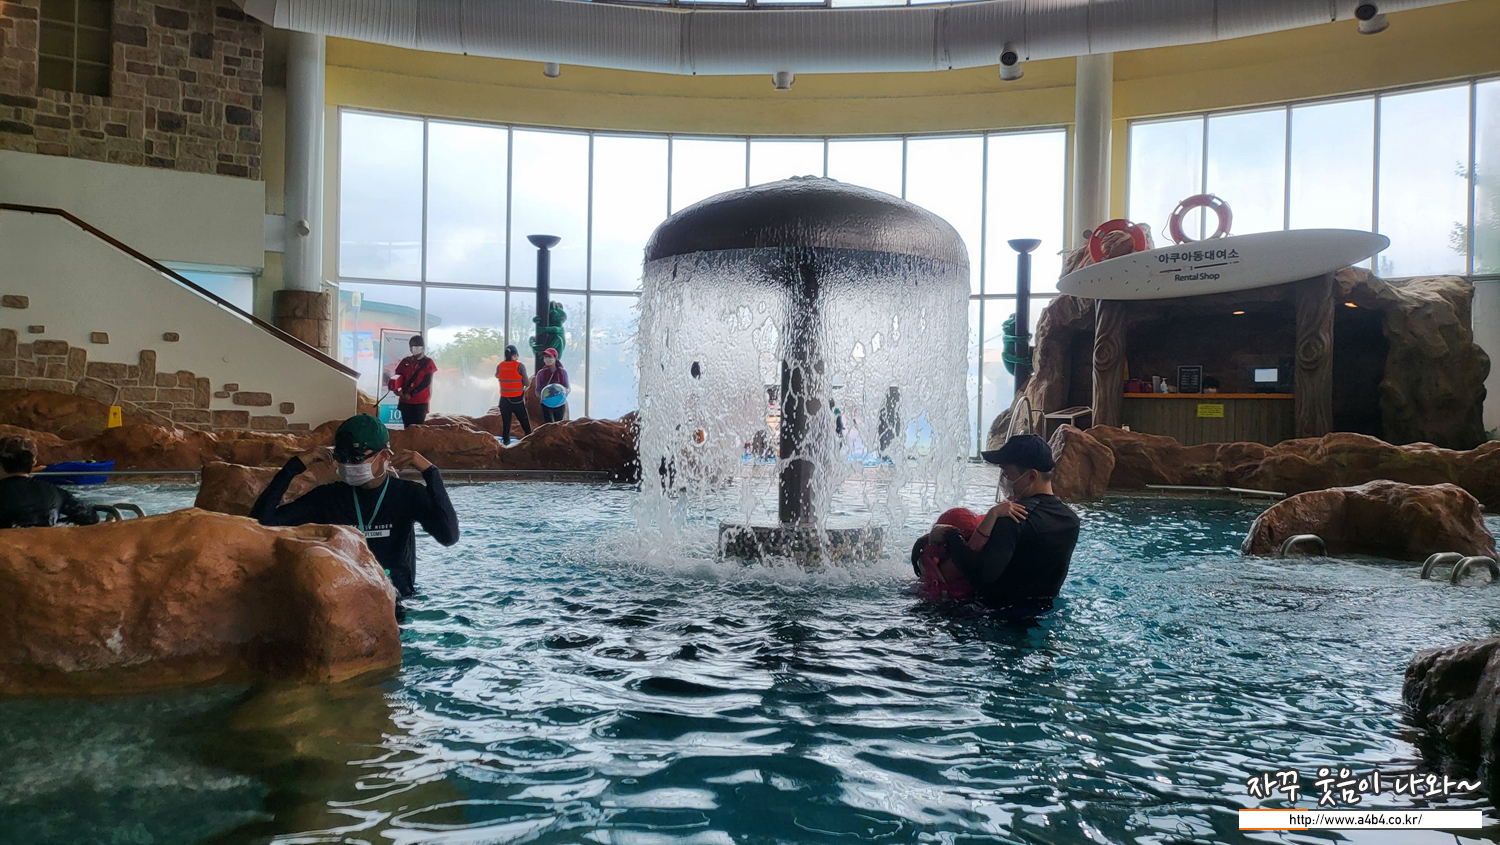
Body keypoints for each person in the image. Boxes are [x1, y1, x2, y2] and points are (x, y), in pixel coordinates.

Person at [250, 414, 459, 601]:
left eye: (356, 458)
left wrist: (431, 473)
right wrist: (294, 466)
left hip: (398, 602)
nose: (348, 465)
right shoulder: (328, 497)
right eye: (342, 458)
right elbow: (263, 522)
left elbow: (448, 536)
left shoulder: (408, 494)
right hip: (346, 599)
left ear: (384, 456)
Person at [929, 434, 1080, 614]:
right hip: (1044, 611)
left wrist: (951, 536)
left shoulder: (1011, 518)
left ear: (1032, 476)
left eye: (1007, 473)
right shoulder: (1071, 520)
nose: (1003, 479)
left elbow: (980, 574)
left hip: (995, 618)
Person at [0, 435, 100, 529]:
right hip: (44, 540)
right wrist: (60, 523)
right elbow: (90, 517)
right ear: (34, 462)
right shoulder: (54, 492)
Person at [389, 335, 438, 427]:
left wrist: (411, 394)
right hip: (405, 401)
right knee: (407, 428)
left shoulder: (428, 362)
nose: (413, 348)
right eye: (411, 346)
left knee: (417, 429)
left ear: (422, 347)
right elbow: (397, 377)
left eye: (415, 345)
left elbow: (426, 382)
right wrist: (396, 390)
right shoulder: (405, 361)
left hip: (420, 402)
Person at [496, 344, 532, 446]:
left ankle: (505, 445)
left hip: (504, 400)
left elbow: (497, 375)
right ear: (515, 355)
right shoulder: (520, 366)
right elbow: (527, 383)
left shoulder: (500, 366)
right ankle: (530, 443)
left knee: (506, 425)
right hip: (517, 401)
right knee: (525, 424)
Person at [535, 347, 570, 424]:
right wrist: (542, 396)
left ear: (555, 358)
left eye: (549, 356)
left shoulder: (563, 372)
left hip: (560, 403)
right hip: (546, 403)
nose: (547, 359)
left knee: (559, 424)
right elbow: (537, 390)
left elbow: (568, 387)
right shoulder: (541, 373)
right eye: (545, 357)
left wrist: (565, 391)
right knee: (549, 425)